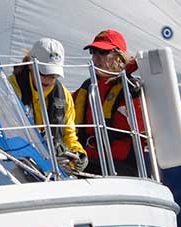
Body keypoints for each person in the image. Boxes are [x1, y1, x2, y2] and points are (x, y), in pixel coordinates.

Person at [71, 29, 148, 176]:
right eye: (93, 51)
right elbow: (65, 108)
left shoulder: (131, 88)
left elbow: (142, 129)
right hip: (89, 161)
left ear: (119, 56)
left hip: (120, 167)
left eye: (102, 52)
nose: (96, 57)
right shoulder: (88, 87)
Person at [9, 38, 86, 172]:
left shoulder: (65, 97)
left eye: (54, 75)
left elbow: (69, 135)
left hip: (51, 167)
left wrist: (78, 153)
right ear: (30, 65)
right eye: (43, 72)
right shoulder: (10, 89)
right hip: (15, 162)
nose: (48, 79)